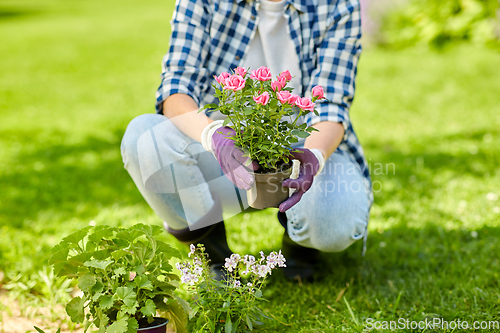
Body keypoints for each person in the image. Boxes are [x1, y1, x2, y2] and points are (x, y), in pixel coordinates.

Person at [121, 0, 373, 280]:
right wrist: (212, 135)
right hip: (218, 151)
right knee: (143, 136)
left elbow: (332, 103)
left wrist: (315, 156)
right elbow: (176, 88)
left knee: (335, 220)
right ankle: (214, 258)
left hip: (299, 156)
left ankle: (301, 247)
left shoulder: (337, 5)